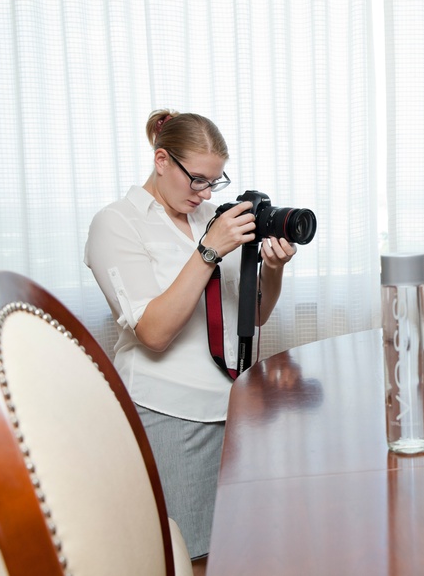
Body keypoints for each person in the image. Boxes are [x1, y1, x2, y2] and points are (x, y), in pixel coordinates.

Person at [85, 109, 296, 574]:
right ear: (161, 160)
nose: (203, 193)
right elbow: (154, 333)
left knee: (241, 551)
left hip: (232, 407)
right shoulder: (116, 223)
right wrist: (209, 250)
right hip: (170, 412)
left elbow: (253, 314)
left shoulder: (208, 217)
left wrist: (273, 268)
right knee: (190, 558)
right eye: (196, 180)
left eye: (214, 183)